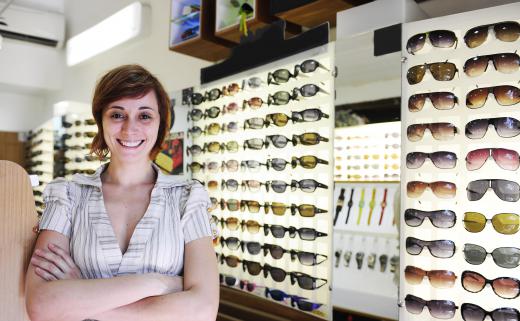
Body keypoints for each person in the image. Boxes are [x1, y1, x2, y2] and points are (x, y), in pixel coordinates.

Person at [25, 64, 219, 321]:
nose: (130, 129)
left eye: (145, 115)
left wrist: (83, 291)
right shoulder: (68, 196)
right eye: (117, 115)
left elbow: (202, 312)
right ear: (101, 121)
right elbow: (41, 305)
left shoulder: (187, 199)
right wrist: (160, 283)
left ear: (161, 123)